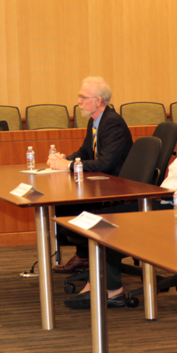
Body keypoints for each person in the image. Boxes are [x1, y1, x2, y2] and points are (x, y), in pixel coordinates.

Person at [64, 94, 177, 309]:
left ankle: (110, 290)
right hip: (169, 201)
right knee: (101, 220)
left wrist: (152, 193)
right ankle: (100, 284)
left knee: (104, 222)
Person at [48, 76, 134, 274]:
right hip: (101, 182)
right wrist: (64, 159)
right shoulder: (95, 121)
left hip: (116, 186)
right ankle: (85, 254)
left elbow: (105, 164)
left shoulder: (112, 123)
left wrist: (69, 165)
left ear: (98, 101)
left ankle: (86, 255)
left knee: (70, 205)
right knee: (64, 202)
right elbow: (85, 152)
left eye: (83, 97)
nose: (78, 101)